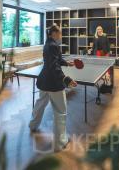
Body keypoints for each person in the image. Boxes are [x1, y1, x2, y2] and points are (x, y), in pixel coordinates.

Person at [29, 24, 77, 152]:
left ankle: (33, 125)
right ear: (54, 33)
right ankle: (60, 142)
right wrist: (66, 79)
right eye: (60, 33)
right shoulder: (54, 46)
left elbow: (55, 60)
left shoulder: (48, 44)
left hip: (44, 81)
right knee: (61, 111)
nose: (61, 35)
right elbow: (54, 67)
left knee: (41, 103)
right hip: (54, 83)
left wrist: (67, 63)